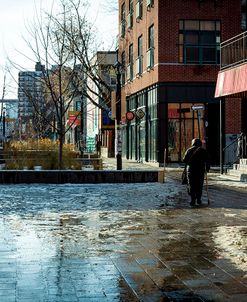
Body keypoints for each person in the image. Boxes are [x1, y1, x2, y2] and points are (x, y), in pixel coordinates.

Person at [183, 138, 210, 206]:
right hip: (200, 171)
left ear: (193, 143)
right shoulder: (203, 151)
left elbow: (184, 160)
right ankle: (198, 199)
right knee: (199, 185)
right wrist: (207, 169)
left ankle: (192, 200)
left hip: (191, 170)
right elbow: (207, 161)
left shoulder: (189, 150)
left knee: (191, 185)